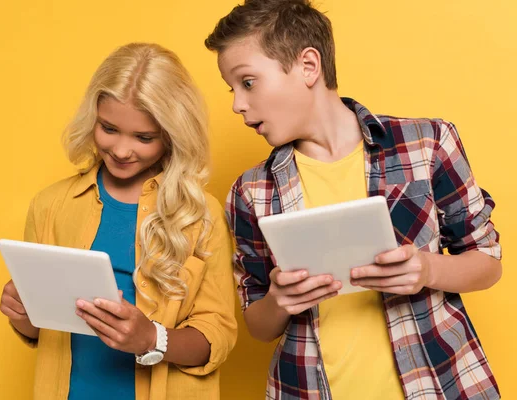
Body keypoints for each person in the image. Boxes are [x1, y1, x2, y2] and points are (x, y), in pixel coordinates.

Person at [205, 1, 502, 399]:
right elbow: (258, 324)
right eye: (232, 89)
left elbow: (487, 262)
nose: (237, 104)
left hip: (438, 384)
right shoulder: (250, 192)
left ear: (308, 66)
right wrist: (280, 299)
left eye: (248, 82)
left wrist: (427, 269)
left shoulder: (427, 143)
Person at [0, 42, 237, 400]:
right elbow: (40, 330)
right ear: (92, 116)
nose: (122, 150)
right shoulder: (50, 206)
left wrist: (152, 337)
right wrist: (21, 312)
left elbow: (216, 336)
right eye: (109, 129)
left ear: (172, 134)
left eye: (143, 137)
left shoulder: (200, 215)